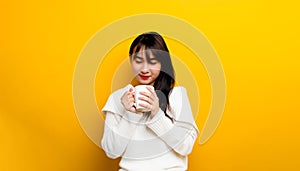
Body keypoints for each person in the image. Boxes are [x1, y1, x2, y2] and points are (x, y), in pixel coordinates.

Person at [101, 32, 199, 171]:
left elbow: (186, 147)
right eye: (138, 61)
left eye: (152, 62)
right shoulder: (118, 99)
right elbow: (111, 151)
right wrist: (131, 114)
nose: (144, 69)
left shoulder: (177, 96)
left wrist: (156, 114)